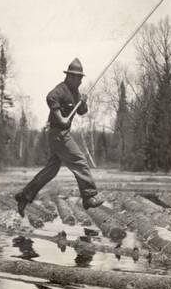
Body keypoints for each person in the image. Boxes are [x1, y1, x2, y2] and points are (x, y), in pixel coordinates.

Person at [15, 58, 104, 217]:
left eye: (81, 78)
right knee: (79, 161)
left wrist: (83, 102)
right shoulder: (61, 89)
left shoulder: (75, 92)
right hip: (59, 134)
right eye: (78, 77)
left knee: (51, 171)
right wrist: (59, 116)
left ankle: (25, 196)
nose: (80, 80)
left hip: (62, 134)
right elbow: (50, 97)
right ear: (70, 76)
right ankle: (88, 197)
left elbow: (82, 112)